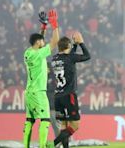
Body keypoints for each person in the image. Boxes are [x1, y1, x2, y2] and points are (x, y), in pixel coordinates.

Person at [23, 9, 59, 148]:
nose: (43, 41)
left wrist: (43, 27)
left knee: (29, 120)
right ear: (38, 42)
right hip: (39, 92)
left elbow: (39, 41)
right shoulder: (39, 54)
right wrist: (55, 25)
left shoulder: (28, 53)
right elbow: (54, 42)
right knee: (45, 119)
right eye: (42, 40)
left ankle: (25, 146)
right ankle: (43, 146)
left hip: (29, 92)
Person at [52, 32, 91, 148]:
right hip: (69, 96)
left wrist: (74, 45)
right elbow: (87, 56)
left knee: (64, 125)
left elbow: (69, 56)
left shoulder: (54, 59)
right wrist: (81, 43)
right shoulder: (70, 58)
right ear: (67, 47)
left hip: (58, 97)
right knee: (75, 125)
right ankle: (53, 144)